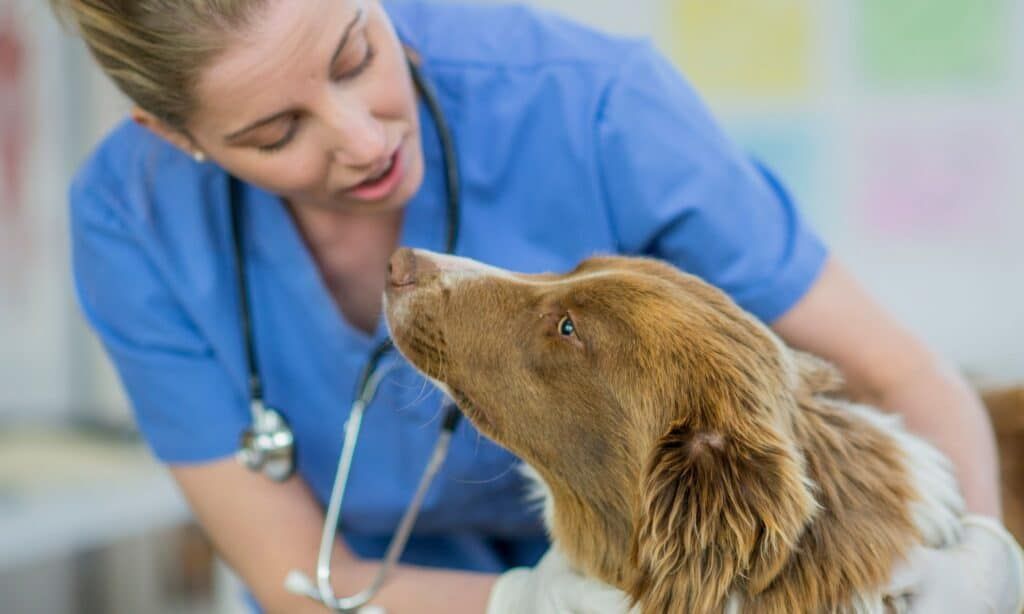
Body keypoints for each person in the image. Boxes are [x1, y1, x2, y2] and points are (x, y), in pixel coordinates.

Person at [52, 1, 1023, 612]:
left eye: (354, 55)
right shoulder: (128, 221)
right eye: (274, 130)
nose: (358, 139)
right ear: (169, 132)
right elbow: (302, 579)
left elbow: (902, 373)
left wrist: (981, 558)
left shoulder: (591, 103)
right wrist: (541, 605)